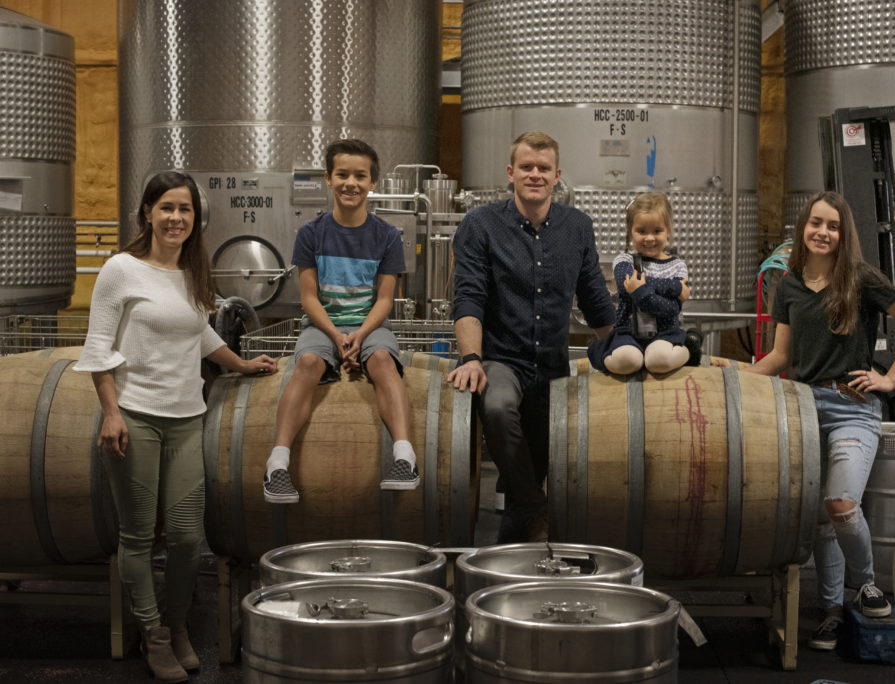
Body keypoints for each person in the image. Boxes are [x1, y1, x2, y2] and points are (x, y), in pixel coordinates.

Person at [75, 171, 277, 683]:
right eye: (166, 208)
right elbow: (98, 348)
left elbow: (202, 332)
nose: (176, 218)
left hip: (188, 418)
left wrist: (241, 364)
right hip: (136, 416)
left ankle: (178, 623)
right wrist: (112, 412)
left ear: (195, 219)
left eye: (184, 210)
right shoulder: (121, 270)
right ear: (147, 212)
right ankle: (155, 634)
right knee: (140, 534)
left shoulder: (193, 273)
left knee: (188, 537)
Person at [742, 191, 895, 652]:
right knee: (823, 522)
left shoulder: (860, 278)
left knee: (841, 504)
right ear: (803, 228)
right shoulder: (788, 285)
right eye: (815, 223)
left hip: (852, 406)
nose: (822, 232)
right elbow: (780, 357)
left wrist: (889, 379)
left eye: (833, 226)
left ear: (844, 234)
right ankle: (829, 612)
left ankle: (866, 588)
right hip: (803, 407)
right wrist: (729, 370)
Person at [447, 131, 616, 543]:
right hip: (502, 360)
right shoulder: (480, 225)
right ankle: (535, 509)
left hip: (552, 369)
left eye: (543, 168)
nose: (535, 174)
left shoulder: (577, 227)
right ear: (511, 173)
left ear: (557, 176)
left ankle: (511, 569)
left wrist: (624, 345)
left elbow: (594, 297)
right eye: (526, 167)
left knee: (529, 481)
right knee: (501, 409)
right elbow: (468, 296)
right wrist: (471, 357)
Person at [263, 138, 419, 504]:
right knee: (307, 363)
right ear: (328, 179)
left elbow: (384, 300)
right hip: (322, 325)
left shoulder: (386, 236)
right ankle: (277, 464)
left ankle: (404, 457)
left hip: (371, 324)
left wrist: (361, 335)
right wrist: (336, 335)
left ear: (373, 182)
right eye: (343, 174)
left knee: (382, 361)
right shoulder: (310, 234)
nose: (352, 183)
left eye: (360, 176)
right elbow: (308, 298)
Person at [588, 191, 691, 374]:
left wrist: (639, 289)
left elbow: (672, 309)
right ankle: (600, 350)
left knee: (657, 361)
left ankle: (690, 349)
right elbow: (625, 285)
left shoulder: (678, 266)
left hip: (665, 333)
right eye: (641, 231)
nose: (649, 238)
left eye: (657, 231)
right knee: (628, 361)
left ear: (668, 230)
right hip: (628, 332)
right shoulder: (624, 260)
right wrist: (675, 287)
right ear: (631, 232)